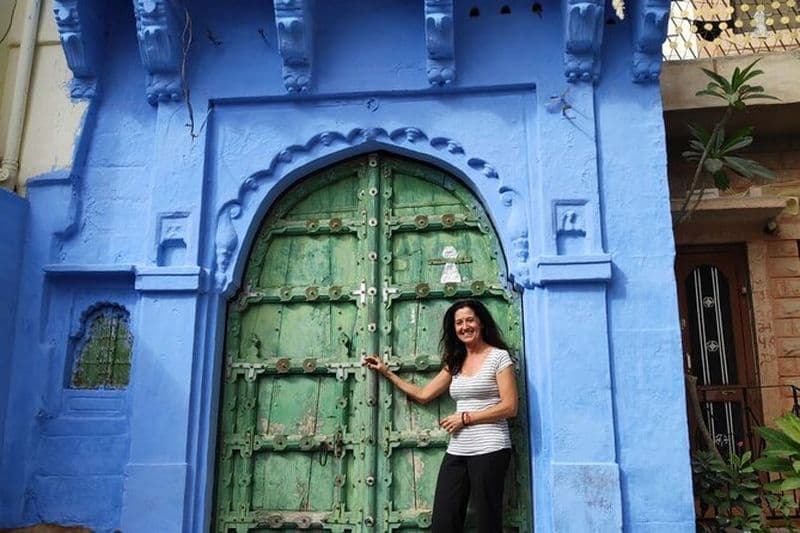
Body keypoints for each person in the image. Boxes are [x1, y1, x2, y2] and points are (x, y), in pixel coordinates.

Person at [363, 299, 518, 533]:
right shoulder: (455, 361)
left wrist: (465, 418)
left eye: (469, 320)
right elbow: (425, 394)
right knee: (444, 523)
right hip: (458, 449)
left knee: (488, 522)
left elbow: (509, 407)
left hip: (491, 448)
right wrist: (387, 372)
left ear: (481, 323)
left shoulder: (498, 357)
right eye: (458, 323)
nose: (464, 326)